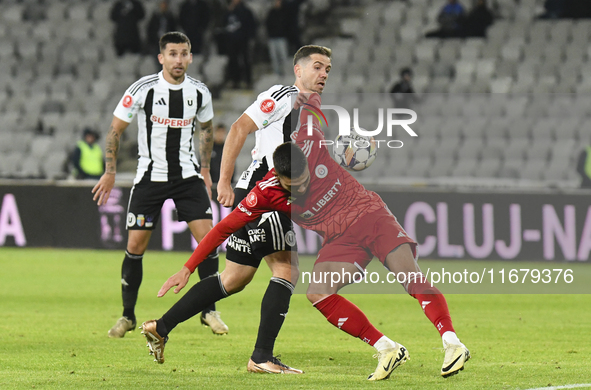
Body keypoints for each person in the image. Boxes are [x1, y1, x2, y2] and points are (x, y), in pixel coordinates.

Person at [140, 93, 470, 380]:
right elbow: (222, 229)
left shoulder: (310, 142)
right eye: (291, 185)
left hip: (371, 218)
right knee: (317, 292)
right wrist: (187, 267)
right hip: (341, 241)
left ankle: (453, 343)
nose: (300, 188)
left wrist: (312, 84)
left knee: (410, 278)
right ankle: (387, 348)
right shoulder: (264, 193)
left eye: (303, 180)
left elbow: (312, 105)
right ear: (278, 178)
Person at [139, 45, 331, 374]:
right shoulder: (282, 96)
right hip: (263, 191)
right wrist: (223, 181)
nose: (324, 73)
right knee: (286, 271)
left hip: (263, 192)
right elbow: (240, 128)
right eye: (317, 67)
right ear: (298, 70)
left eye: (328, 69)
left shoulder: (311, 109)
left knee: (235, 277)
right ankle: (261, 357)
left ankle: (162, 326)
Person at [91, 32, 228, 339]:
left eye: (183, 54)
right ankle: (127, 316)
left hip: (187, 177)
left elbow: (206, 132)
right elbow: (115, 131)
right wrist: (110, 172)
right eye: (172, 54)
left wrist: (205, 169)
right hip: (150, 177)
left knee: (207, 241)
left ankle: (210, 311)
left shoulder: (199, 92)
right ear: (161, 58)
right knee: (135, 245)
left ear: (190, 57)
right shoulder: (143, 89)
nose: (178, 59)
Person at [224, 0, 257, 89]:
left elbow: (251, 25)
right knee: (233, 61)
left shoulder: (246, 11)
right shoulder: (229, 11)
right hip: (232, 40)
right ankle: (235, 81)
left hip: (243, 39)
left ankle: (247, 81)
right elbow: (224, 23)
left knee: (245, 60)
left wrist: (251, 38)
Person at [265, 0, 290, 76]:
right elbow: (267, 24)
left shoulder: (285, 12)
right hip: (272, 38)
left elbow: (287, 25)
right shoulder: (271, 12)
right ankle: (276, 73)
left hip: (282, 37)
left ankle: (285, 73)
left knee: (283, 56)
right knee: (274, 57)